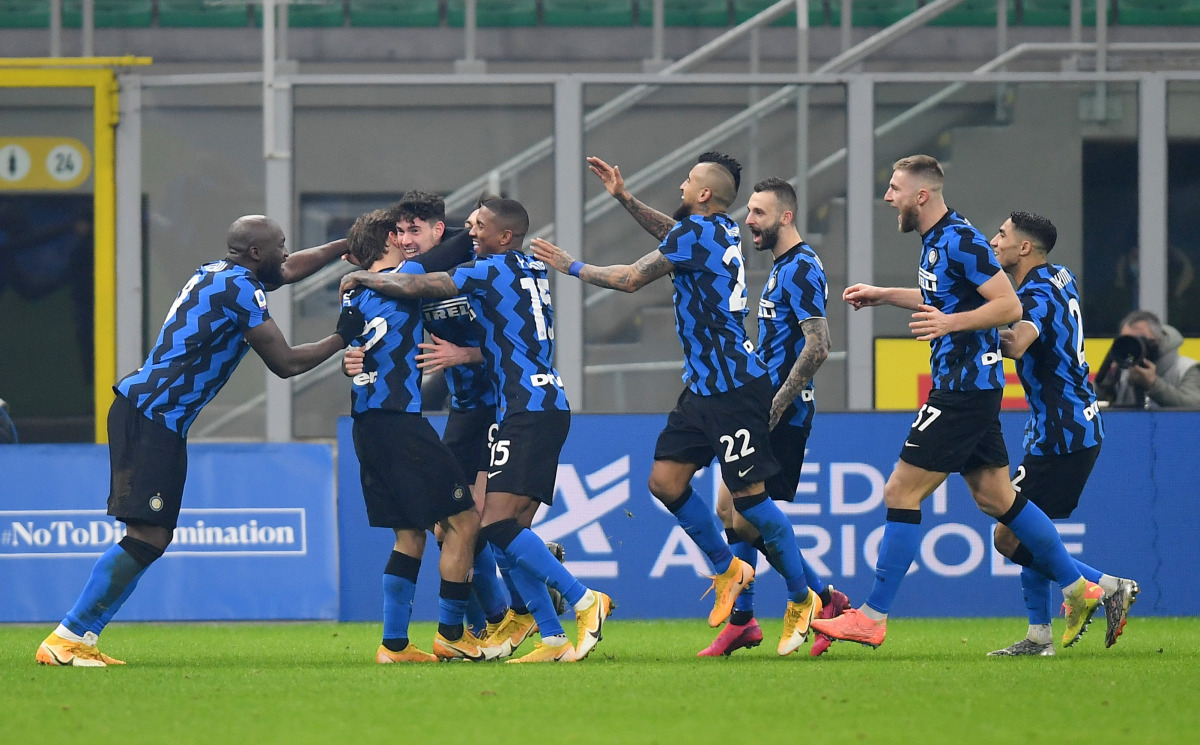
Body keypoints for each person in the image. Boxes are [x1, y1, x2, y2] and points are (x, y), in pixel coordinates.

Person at [36, 215, 364, 667]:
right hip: (150, 414)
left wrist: (342, 247)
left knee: (153, 536)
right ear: (255, 254)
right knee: (147, 534)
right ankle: (69, 635)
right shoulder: (239, 289)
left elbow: (285, 272)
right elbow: (285, 363)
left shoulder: (216, 273)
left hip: (156, 416)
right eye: (280, 245)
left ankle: (79, 636)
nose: (286, 255)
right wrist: (344, 334)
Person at [532, 153, 824, 657]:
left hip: (734, 387)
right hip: (703, 388)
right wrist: (625, 199)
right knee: (665, 482)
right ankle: (728, 568)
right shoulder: (721, 231)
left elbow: (629, 278)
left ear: (704, 194)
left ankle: (804, 598)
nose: (683, 185)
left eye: (690, 180)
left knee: (750, 501)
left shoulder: (697, 235)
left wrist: (570, 266)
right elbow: (671, 233)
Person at [811, 155, 1104, 651]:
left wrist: (949, 325)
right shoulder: (937, 243)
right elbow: (946, 298)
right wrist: (884, 295)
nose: (888, 197)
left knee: (900, 492)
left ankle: (873, 616)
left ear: (921, 195)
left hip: (964, 388)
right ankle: (1082, 588)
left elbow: (1008, 305)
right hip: (968, 385)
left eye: (894, 188)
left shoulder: (960, 238)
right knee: (996, 497)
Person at [341, 196, 613, 664]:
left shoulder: (477, 267)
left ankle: (580, 601)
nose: (471, 232)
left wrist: (365, 276)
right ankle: (546, 634)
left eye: (477, 225)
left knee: (487, 524)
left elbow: (425, 286)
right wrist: (355, 356)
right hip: (505, 406)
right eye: (399, 233)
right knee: (478, 528)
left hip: (516, 405)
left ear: (436, 231)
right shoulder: (518, 266)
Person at [339, 210, 492, 663]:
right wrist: (476, 223)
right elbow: (461, 246)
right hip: (400, 422)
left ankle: (395, 646)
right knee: (463, 521)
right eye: (399, 234)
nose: (409, 243)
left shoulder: (354, 295)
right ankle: (451, 633)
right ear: (390, 238)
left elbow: (349, 347)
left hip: (365, 424)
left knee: (409, 537)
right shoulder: (408, 273)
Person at [987, 211, 1139, 656]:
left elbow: (1017, 342)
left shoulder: (1033, 293)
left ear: (1025, 248)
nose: (994, 241)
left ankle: (1105, 587)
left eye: (1002, 234)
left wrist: (962, 327)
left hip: (1062, 434)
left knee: (1008, 534)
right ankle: (1040, 636)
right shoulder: (1059, 275)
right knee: (1032, 530)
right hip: (1070, 425)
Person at [1094, 309, 1200, 409]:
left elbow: (1194, 407)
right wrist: (1107, 377)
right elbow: (1090, 403)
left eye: (1139, 341)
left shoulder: (1186, 369)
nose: (1132, 348)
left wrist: (1153, 384)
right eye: (1127, 341)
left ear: (1158, 339)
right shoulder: (1124, 367)